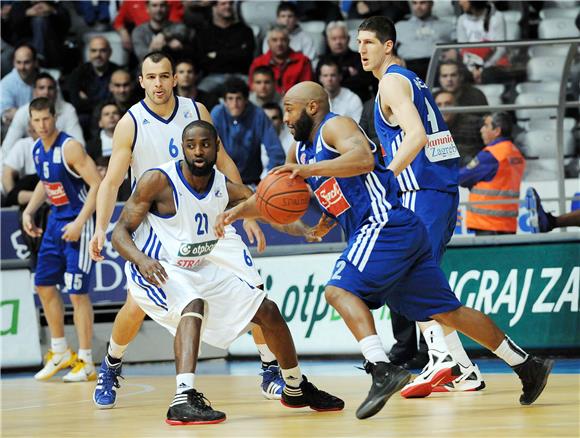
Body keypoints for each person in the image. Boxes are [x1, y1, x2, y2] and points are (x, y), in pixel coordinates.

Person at [219, 81, 553, 419]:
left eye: (290, 108)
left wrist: (309, 170)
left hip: (383, 225)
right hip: (399, 231)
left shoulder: (336, 126)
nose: (285, 117)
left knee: (338, 290)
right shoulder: (300, 149)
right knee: (448, 311)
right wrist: (237, 212)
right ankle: (527, 365)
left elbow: (363, 159)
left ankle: (381, 368)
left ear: (312, 107)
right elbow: (269, 199)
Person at [112, 119, 344, 425]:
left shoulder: (224, 186)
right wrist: (141, 260)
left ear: (216, 148)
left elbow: (268, 210)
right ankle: (182, 398)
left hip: (199, 267)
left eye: (205, 145)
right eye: (191, 145)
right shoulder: (158, 180)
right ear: (182, 148)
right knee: (192, 304)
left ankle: (295, 385)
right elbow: (119, 233)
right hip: (157, 268)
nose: (198, 151)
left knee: (268, 311)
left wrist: (304, 230)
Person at [89, 51, 284, 409]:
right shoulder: (131, 122)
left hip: (209, 212)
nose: (159, 83)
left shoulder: (196, 112)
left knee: (254, 288)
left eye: (165, 76)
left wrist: (247, 213)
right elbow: (112, 180)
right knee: (136, 306)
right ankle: (111, 365)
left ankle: (270, 368)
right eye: (152, 77)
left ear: (175, 79)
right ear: (142, 81)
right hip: (159, 222)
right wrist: (100, 229)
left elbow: (224, 164)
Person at [358, 16, 485, 396]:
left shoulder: (392, 83)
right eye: (358, 42)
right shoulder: (412, 79)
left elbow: (416, 135)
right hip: (439, 188)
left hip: (422, 192)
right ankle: (461, 368)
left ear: (389, 45)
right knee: (419, 280)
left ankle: (442, 358)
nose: (361, 49)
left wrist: (386, 176)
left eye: (368, 42)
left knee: (410, 279)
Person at [22, 96, 102, 382]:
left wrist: (81, 222)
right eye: (36, 120)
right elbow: (46, 183)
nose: (42, 125)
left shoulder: (70, 147)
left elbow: (97, 184)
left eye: (46, 119)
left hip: (80, 221)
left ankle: (87, 361)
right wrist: (29, 211)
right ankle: (59, 352)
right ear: (30, 122)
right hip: (55, 222)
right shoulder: (36, 149)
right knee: (43, 284)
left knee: (77, 292)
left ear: (54, 117)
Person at [460, 112, 525, 235]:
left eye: (486, 126)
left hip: (487, 223)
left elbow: (462, 178)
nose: (481, 130)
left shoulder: (491, 155)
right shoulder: (515, 152)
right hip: (508, 223)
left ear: (497, 131)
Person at [211, 78, 285, 186]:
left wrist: (267, 180)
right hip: (221, 181)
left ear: (246, 100)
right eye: (230, 99)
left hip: (252, 181)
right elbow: (209, 149)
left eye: (238, 98)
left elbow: (276, 153)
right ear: (225, 101)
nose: (235, 104)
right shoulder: (217, 114)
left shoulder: (258, 115)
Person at [3, 73, 85, 153]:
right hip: (30, 158)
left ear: (56, 91)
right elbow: (7, 147)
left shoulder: (68, 110)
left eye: (50, 88)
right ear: (34, 91)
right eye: (41, 88)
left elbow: (80, 145)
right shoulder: (23, 112)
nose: (46, 92)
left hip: (61, 158)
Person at [195, 0, 255, 95]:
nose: (228, 6)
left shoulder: (245, 30)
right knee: (200, 93)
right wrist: (235, 53)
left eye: (230, 3)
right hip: (213, 77)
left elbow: (246, 58)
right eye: (223, 4)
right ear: (214, 7)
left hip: (240, 75)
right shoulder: (204, 32)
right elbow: (203, 61)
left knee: (256, 90)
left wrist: (217, 55)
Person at [64, 36, 120, 133]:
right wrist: (104, 101)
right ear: (89, 53)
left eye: (102, 51)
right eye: (94, 51)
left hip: (112, 115)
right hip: (87, 118)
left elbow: (119, 101)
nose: (98, 55)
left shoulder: (118, 72)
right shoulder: (77, 74)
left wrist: (88, 100)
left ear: (110, 52)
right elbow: (77, 103)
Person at [395, 0, 453, 81]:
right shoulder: (400, 26)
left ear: (431, 4)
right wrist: (395, 58)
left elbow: (458, 46)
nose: (418, 6)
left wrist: (453, 51)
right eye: (415, 3)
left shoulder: (446, 26)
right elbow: (388, 49)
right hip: (408, 66)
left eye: (422, 3)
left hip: (437, 65)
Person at [249, 25, 313, 95]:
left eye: (283, 40)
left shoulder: (303, 61)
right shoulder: (258, 63)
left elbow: (307, 90)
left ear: (289, 41)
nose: (279, 44)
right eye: (274, 40)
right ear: (268, 43)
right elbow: (253, 89)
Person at [324, 21, 374, 102]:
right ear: (327, 41)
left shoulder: (361, 58)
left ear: (348, 39)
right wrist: (348, 74)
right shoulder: (323, 62)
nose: (338, 42)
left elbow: (365, 82)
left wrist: (337, 81)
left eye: (342, 38)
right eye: (334, 39)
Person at [131, 0, 195, 61]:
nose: (158, 9)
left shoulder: (177, 26)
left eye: (162, 5)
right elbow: (141, 55)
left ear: (167, 8)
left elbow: (183, 31)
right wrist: (154, 49)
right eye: (154, 5)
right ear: (147, 8)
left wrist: (163, 35)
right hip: (150, 69)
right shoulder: (139, 31)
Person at [433, 89, 484, 166]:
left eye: (448, 104)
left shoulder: (475, 123)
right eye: (439, 105)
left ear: (456, 105)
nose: (443, 108)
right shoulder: (430, 127)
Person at [0, 44, 38, 127]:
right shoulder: (5, 84)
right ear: (13, 63)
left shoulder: (45, 80)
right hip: (16, 128)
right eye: (18, 62)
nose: (22, 67)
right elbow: (7, 114)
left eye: (26, 62)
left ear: (35, 62)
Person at [2, 122, 38, 207]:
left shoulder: (61, 145)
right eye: (30, 127)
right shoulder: (23, 144)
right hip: (30, 190)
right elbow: (7, 174)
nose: (30, 130)